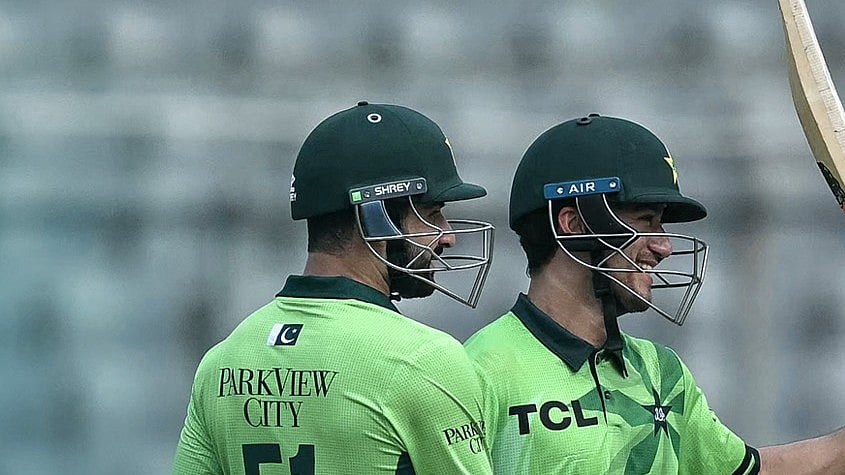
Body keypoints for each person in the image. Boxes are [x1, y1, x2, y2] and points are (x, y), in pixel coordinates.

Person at [465, 114, 845, 474]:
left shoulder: (662, 373)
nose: (664, 246)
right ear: (575, 224)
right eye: (646, 221)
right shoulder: (479, 371)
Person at [173, 101, 495, 474]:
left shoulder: (222, 361)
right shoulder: (424, 359)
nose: (448, 236)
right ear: (377, 217)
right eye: (432, 214)